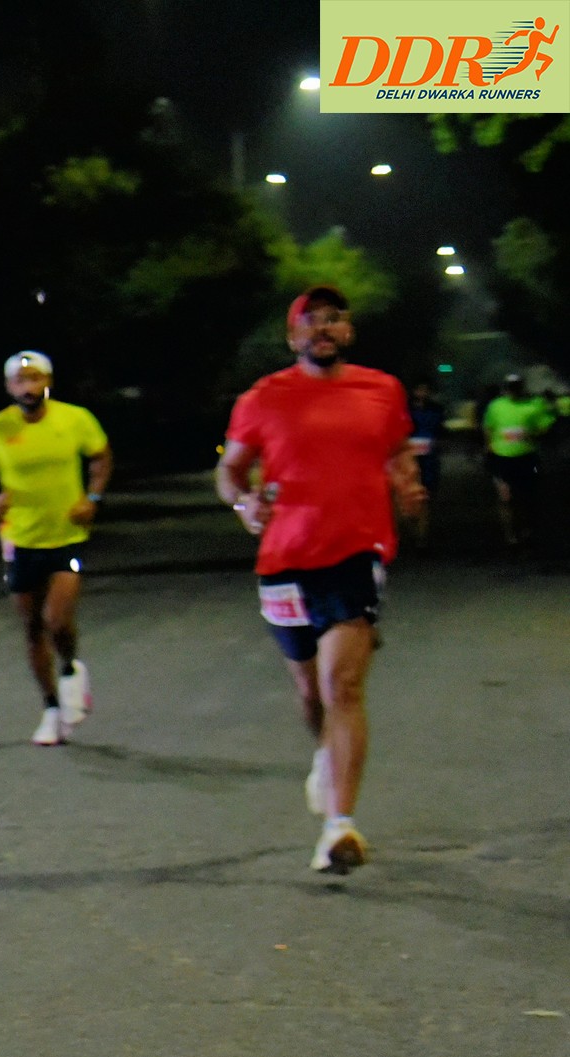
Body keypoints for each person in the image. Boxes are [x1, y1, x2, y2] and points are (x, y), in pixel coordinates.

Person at [216, 286, 424, 875]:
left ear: (348, 331)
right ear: (293, 337)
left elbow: (397, 451)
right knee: (311, 695)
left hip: (356, 551)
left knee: (343, 686)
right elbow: (230, 470)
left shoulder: (382, 390)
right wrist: (243, 504)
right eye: (310, 321)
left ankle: (340, 826)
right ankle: (325, 756)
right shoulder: (263, 397)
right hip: (284, 559)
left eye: (334, 319)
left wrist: (406, 482)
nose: (323, 329)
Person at [0, 350, 112, 745]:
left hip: (66, 533)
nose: (28, 388)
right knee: (32, 627)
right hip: (20, 539)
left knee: (58, 620)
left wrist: (92, 498)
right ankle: (51, 709)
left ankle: (70, 668)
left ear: (48, 381)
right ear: (9, 387)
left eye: (35, 379)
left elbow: (101, 458)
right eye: (20, 381)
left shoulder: (75, 419)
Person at [482, 372, 552, 546]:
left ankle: (527, 529)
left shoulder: (535, 405)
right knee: (505, 498)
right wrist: (488, 446)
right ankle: (511, 536)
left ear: (522, 388)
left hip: (527, 457)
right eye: (510, 388)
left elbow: (545, 427)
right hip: (501, 458)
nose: (512, 391)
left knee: (527, 497)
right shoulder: (496, 406)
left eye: (516, 387)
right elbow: (488, 427)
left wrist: (532, 433)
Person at [404, 380, 446, 545]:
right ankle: (414, 531)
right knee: (410, 497)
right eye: (419, 390)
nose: (422, 393)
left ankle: (422, 537)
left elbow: (441, 432)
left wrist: (437, 443)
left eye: (425, 390)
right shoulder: (405, 410)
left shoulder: (436, 410)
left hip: (429, 460)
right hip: (409, 459)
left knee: (426, 497)